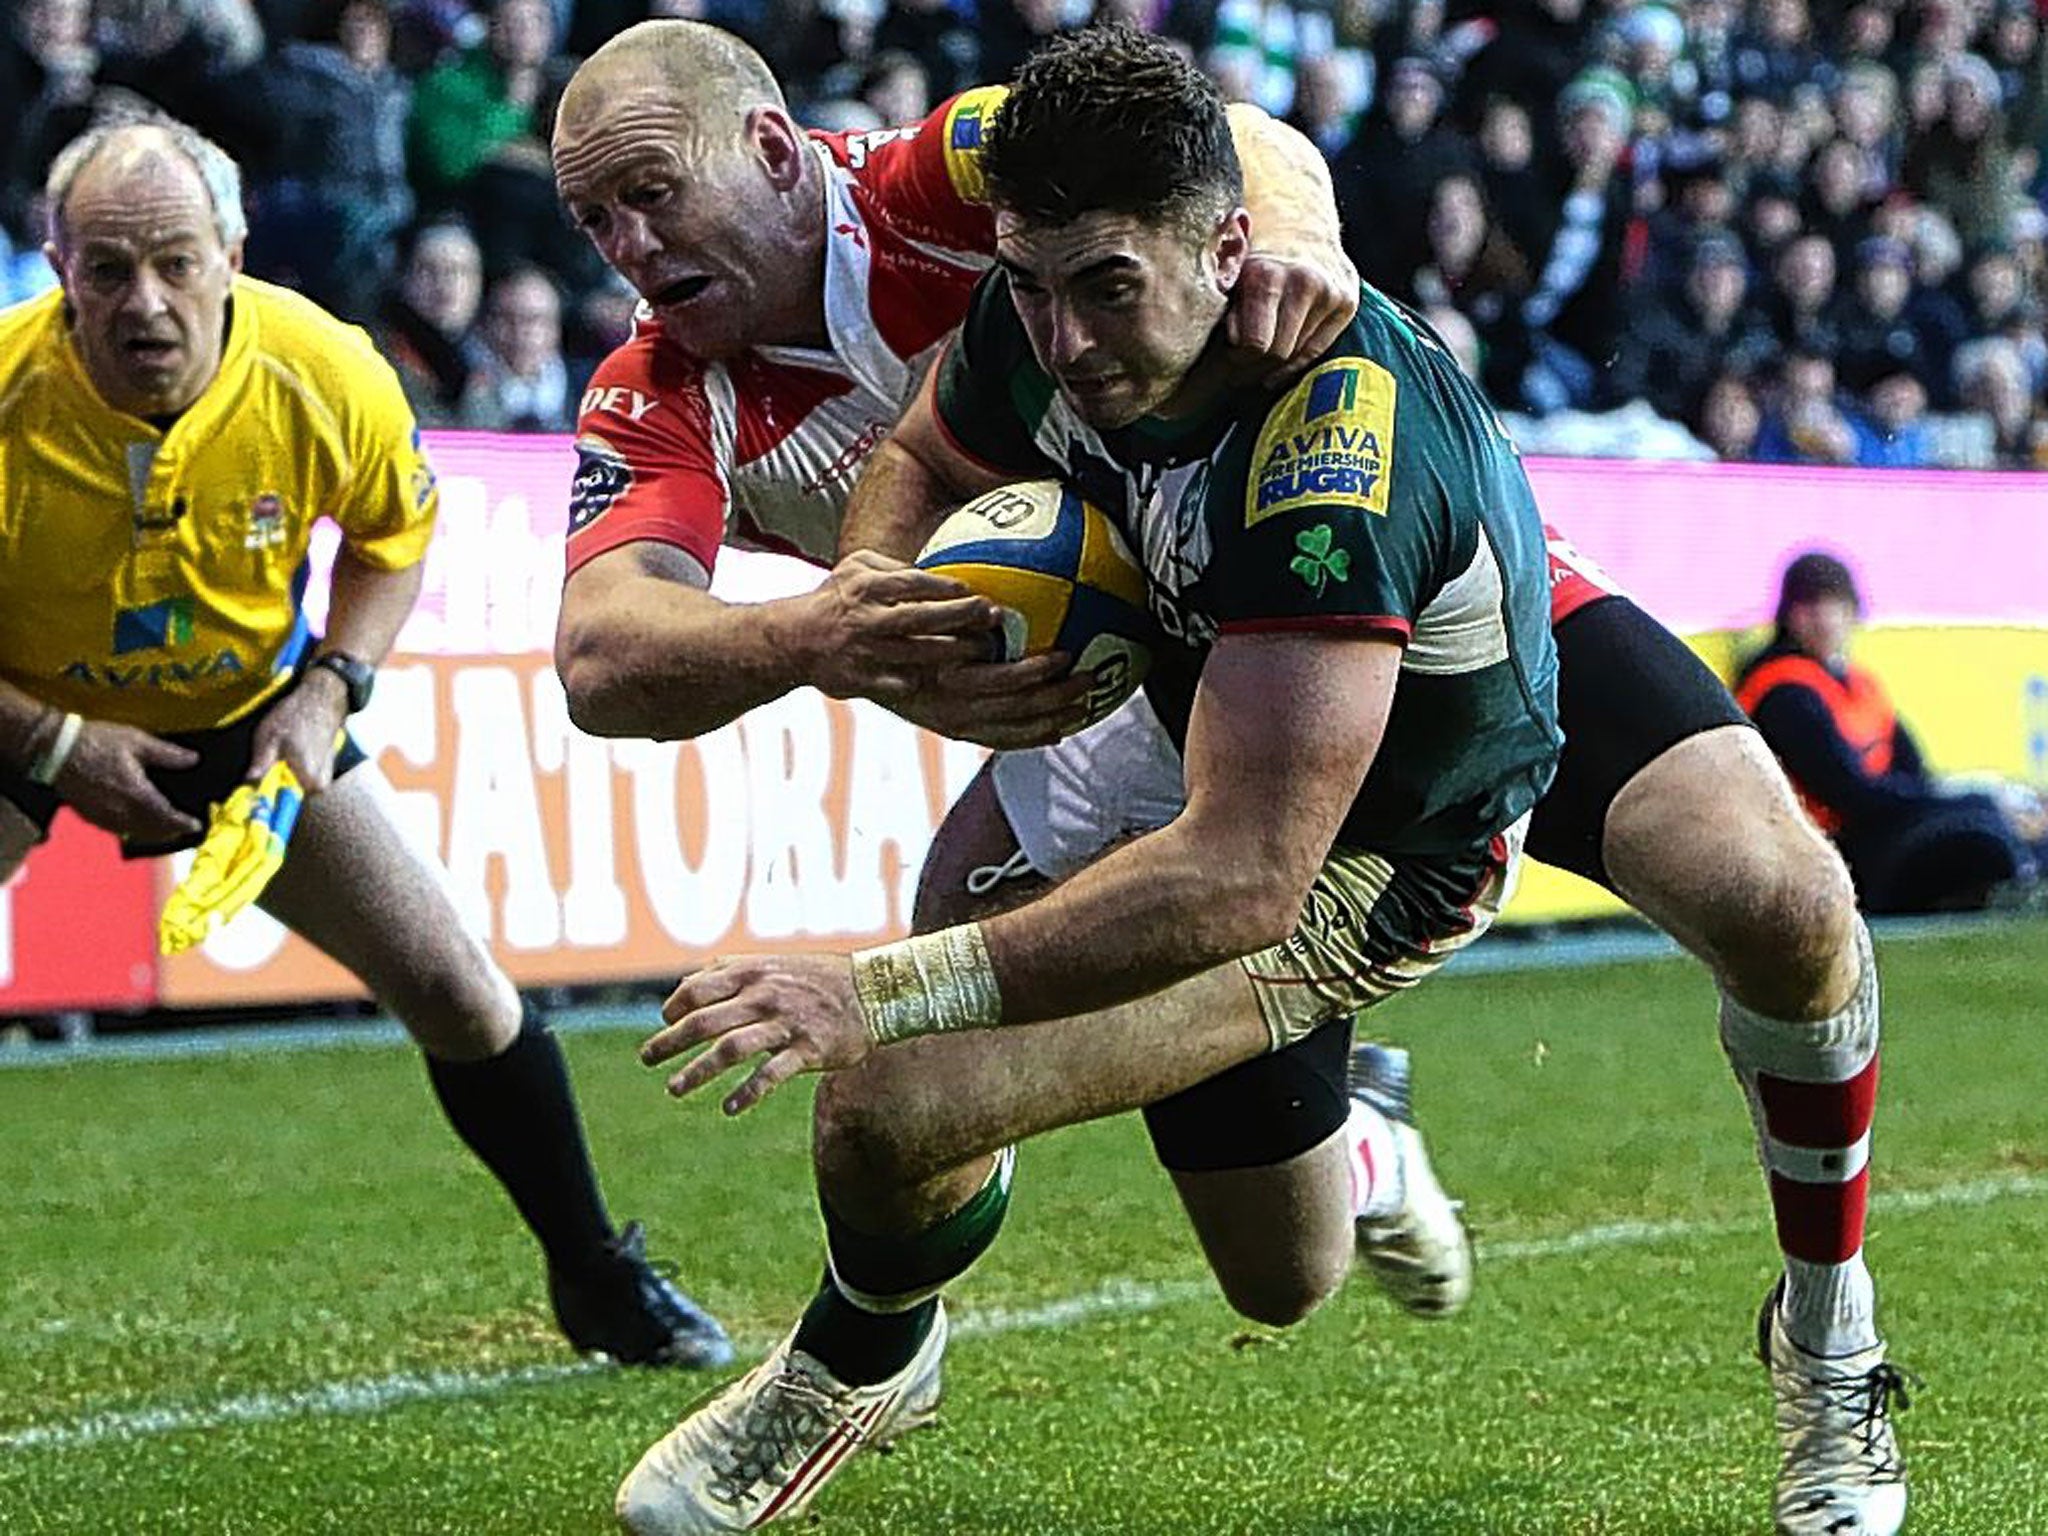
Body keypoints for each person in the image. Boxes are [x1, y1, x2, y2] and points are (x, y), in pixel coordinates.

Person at [554, 24, 1910, 1536]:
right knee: (1259, 1267)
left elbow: (1227, 141)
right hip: (1151, 699)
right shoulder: (816, 351)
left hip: (1402, 663)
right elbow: (606, 658)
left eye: (649, 195)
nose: (627, 244)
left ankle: (1831, 1331)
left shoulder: (945, 184)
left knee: (1779, 896)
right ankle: (1346, 1148)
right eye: (592, 220)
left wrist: (1306, 237)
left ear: (768, 149)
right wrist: (849, 611)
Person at [616, 28, 1564, 1531]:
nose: (1060, 339)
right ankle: (875, 1349)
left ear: (1223, 253)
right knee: (900, 1103)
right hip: (1192, 738)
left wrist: (873, 990)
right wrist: (868, 592)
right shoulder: (1035, 304)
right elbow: (912, 458)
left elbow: (1246, 878)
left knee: (1264, 1270)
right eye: (1032, 285)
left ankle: (860, 1351)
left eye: (1105, 287)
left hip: (1363, 861)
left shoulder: (1334, 447)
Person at [0, 117, 730, 1372]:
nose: (146, 303)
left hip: (251, 712)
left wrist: (331, 686)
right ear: (53, 263)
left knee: (459, 992)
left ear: (232, 251)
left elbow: (393, 538)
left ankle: (597, 1274)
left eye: (176, 262)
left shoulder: (321, 366)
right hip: (22, 709)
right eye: (106, 268)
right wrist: (58, 740)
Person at [1736, 552, 2047, 913]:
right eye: (1810, 608)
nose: (1823, 621)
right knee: (1980, 831)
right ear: (1789, 616)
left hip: (1876, 829)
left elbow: (1912, 770)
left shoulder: (1857, 685)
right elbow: (1850, 795)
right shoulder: (1782, 690)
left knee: (1991, 813)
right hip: (1828, 852)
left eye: (1833, 607)